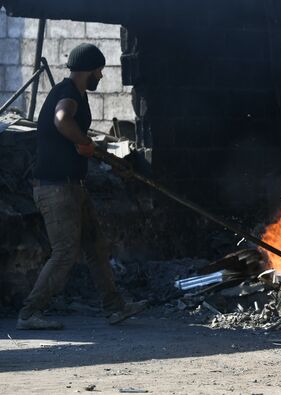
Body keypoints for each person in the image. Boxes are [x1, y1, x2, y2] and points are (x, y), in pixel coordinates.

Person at [16, 43, 147, 330]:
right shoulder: (67, 94)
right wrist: (83, 142)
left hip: (72, 186)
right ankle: (29, 314)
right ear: (89, 70)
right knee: (65, 251)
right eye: (99, 71)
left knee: (95, 247)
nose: (101, 76)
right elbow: (62, 120)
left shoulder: (75, 93)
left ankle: (115, 308)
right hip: (55, 189)